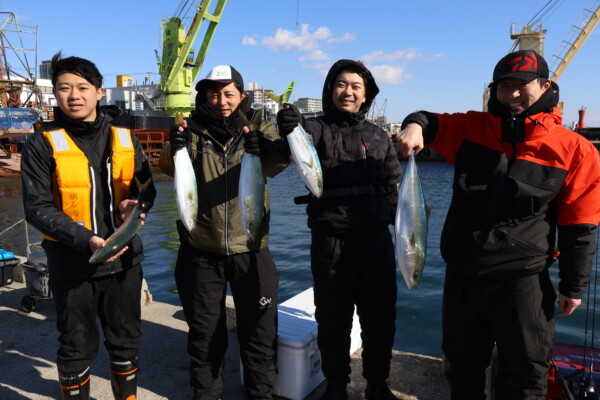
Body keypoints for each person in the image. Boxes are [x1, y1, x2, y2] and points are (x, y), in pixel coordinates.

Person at [395, 49, 600, 399]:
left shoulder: (576, 150)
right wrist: (414, 127)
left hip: (524, 283)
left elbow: (579, 226)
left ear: (546, 85)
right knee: (461, 368)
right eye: (505, 86)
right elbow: (428, 120)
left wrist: (573, 285)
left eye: (524, 85)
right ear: (494, 90)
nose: (514, 94)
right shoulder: (471, 127)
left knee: (525, 376)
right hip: (464, 278)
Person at [21, 52, 156, 400]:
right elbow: (36, 208)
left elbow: (147, 189)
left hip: (125, 263)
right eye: (64, 88)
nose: (74, 95)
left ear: (99, 92)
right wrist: (87, 240)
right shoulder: (41, 143)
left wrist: (135, 204)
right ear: (55, 94)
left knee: (126, 344)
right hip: (72, 264)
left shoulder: (127, 137)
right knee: (75, 347)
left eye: (83, 86)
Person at [159, 65, 289, 400]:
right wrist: (172, 147)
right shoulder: (191, 128)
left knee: (260, 334)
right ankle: (206, 395)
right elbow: (168, 169)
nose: (221, 101)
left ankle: (260, 394)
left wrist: (269, 146)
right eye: (213, 93)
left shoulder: (260, 124)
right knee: (204, 335)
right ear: (204, 96)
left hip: (252, 248)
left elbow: (278, 163)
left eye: (228, 93)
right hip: (201, 249)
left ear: (242, 96)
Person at [276, 59, 402, 400]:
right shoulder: (317, 129)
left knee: (380, 320)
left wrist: (392, 222)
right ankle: (336, 386)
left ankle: (377, 384)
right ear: (331, 90)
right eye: (341, 84)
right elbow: (293, 143)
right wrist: (290, 125)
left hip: (377, 243)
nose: (348, 92)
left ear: (365, 96)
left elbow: (394, 184)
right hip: (331, 242)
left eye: (355, 87)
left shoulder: (378, 136)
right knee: (333, 320)